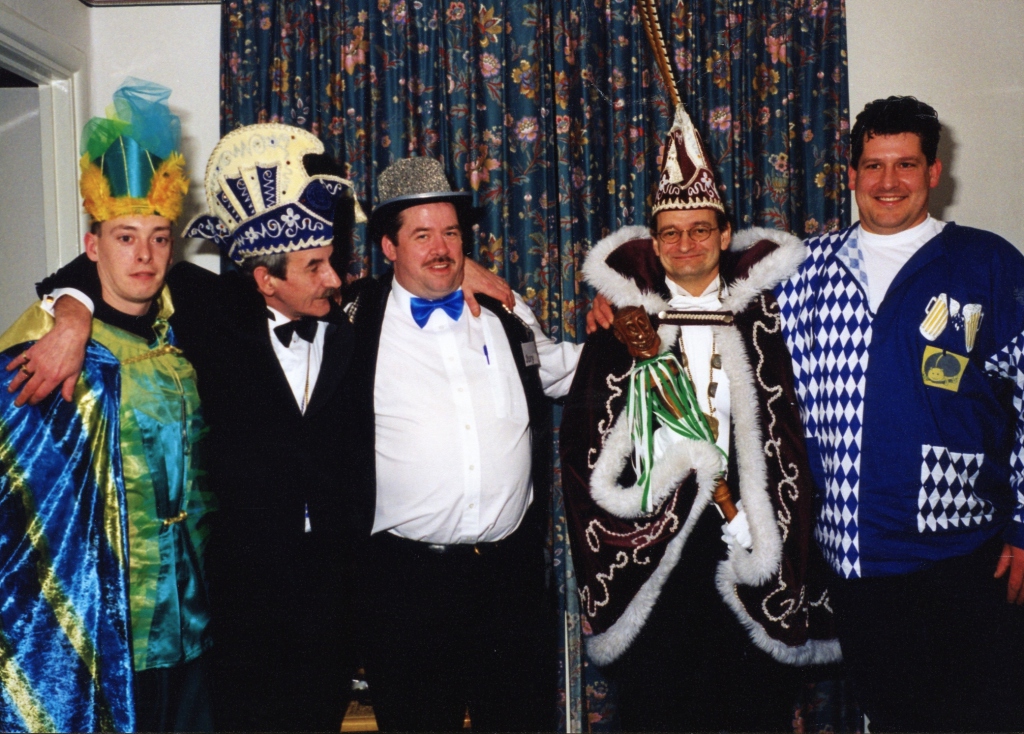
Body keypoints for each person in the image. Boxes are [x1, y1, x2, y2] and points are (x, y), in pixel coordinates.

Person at [17, 129, 519, 731]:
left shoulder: (354, 323)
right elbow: (116, 262)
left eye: (332, 261)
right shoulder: (210, 313)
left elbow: (418, 276)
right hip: (238, 607)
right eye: (315, 267)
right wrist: (71, 314)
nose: (334, 278)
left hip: (333, 606)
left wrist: (460, 270)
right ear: (265, 279)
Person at [562, 105, 840, 731]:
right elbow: (584, 444)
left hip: (745, 534)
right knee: (658, 707)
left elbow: (794, 430)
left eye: (699, 229)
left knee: (752, 708)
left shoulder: (771, 317)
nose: (685, 244)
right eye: (671, 233)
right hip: (656, 547)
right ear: (653, 240)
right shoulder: (621, 326)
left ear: (724, 234)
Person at [774, 96, 1024, 731]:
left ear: (934, 172)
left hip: (968, 554)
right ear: (851, 175)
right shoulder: (803, 271)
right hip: (857, 560)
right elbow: (699, 291)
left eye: (906, 164)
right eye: (873, 165)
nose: (889, 181)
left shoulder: (987, 263)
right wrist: (620, 307)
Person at [0, 79, 214, 732]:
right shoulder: (51, 344)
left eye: (159, 237)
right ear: (91, 247)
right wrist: (70, 313)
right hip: (104, 636)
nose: (144, 255)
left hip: (192, 625)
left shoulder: (186, 323)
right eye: (125, 237)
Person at [342, 156, 582, 732]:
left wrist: (638, 333)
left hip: (508, 579)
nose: (441, 249)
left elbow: (561, 371)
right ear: (388, 247)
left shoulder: (504, 314)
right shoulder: (353, 322)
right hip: (405, 584)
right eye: (422, 235)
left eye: (451, 234)